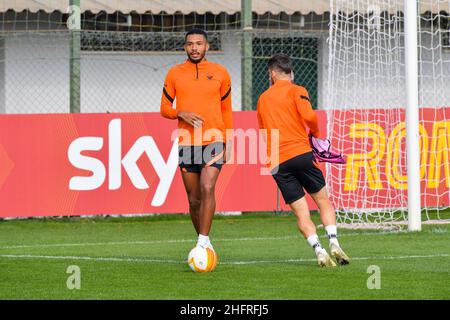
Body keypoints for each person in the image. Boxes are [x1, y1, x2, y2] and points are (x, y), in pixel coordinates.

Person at [256, 54, 349, 267]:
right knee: (323, 200)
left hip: (278, 161)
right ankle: (333, 242)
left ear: (271, 74)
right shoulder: (298, 90)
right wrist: (316, 136)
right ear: (291, 73)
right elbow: (310, 117)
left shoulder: (262, 98)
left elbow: (262, 132)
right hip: (301, 153)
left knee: (301, 211)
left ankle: (318, 249)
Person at [160, 28, 233, 251]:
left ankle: (202, 240)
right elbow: (164, 108)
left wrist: (229, 141)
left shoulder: (220, 72)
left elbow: (227, 110)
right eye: (190, 44)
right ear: (185, 47)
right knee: (194, 199)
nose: (194, 48)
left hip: (214, 139)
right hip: (187, 142)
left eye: (199, 43)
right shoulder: (174, 73)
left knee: (207, 186)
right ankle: (205, 242)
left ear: (207, 46)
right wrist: (179, 112)